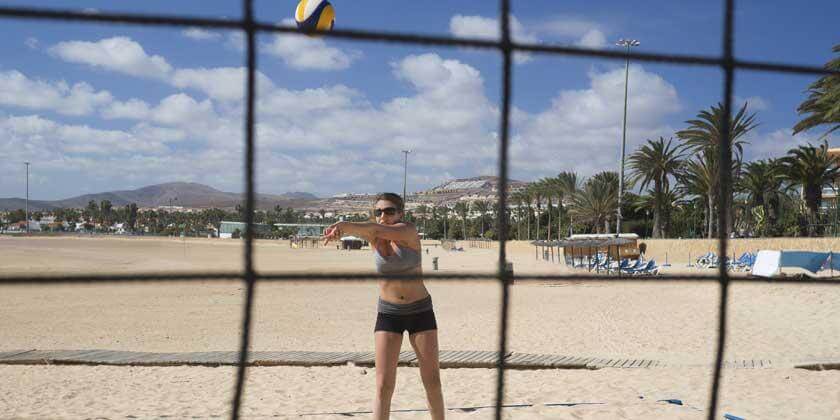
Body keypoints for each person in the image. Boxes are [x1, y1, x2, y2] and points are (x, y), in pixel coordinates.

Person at [323, 193, 444, 419]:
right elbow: (368, 230)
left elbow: (375, 229)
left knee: (432, 381)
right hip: (389, 313)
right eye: (378, 212)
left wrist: (342, 224)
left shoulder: (407, 231)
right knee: (383, 385)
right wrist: (340, 230)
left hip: (420, 311)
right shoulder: (374, 236)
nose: (383, 216)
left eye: (389, 211)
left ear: (400, 213)